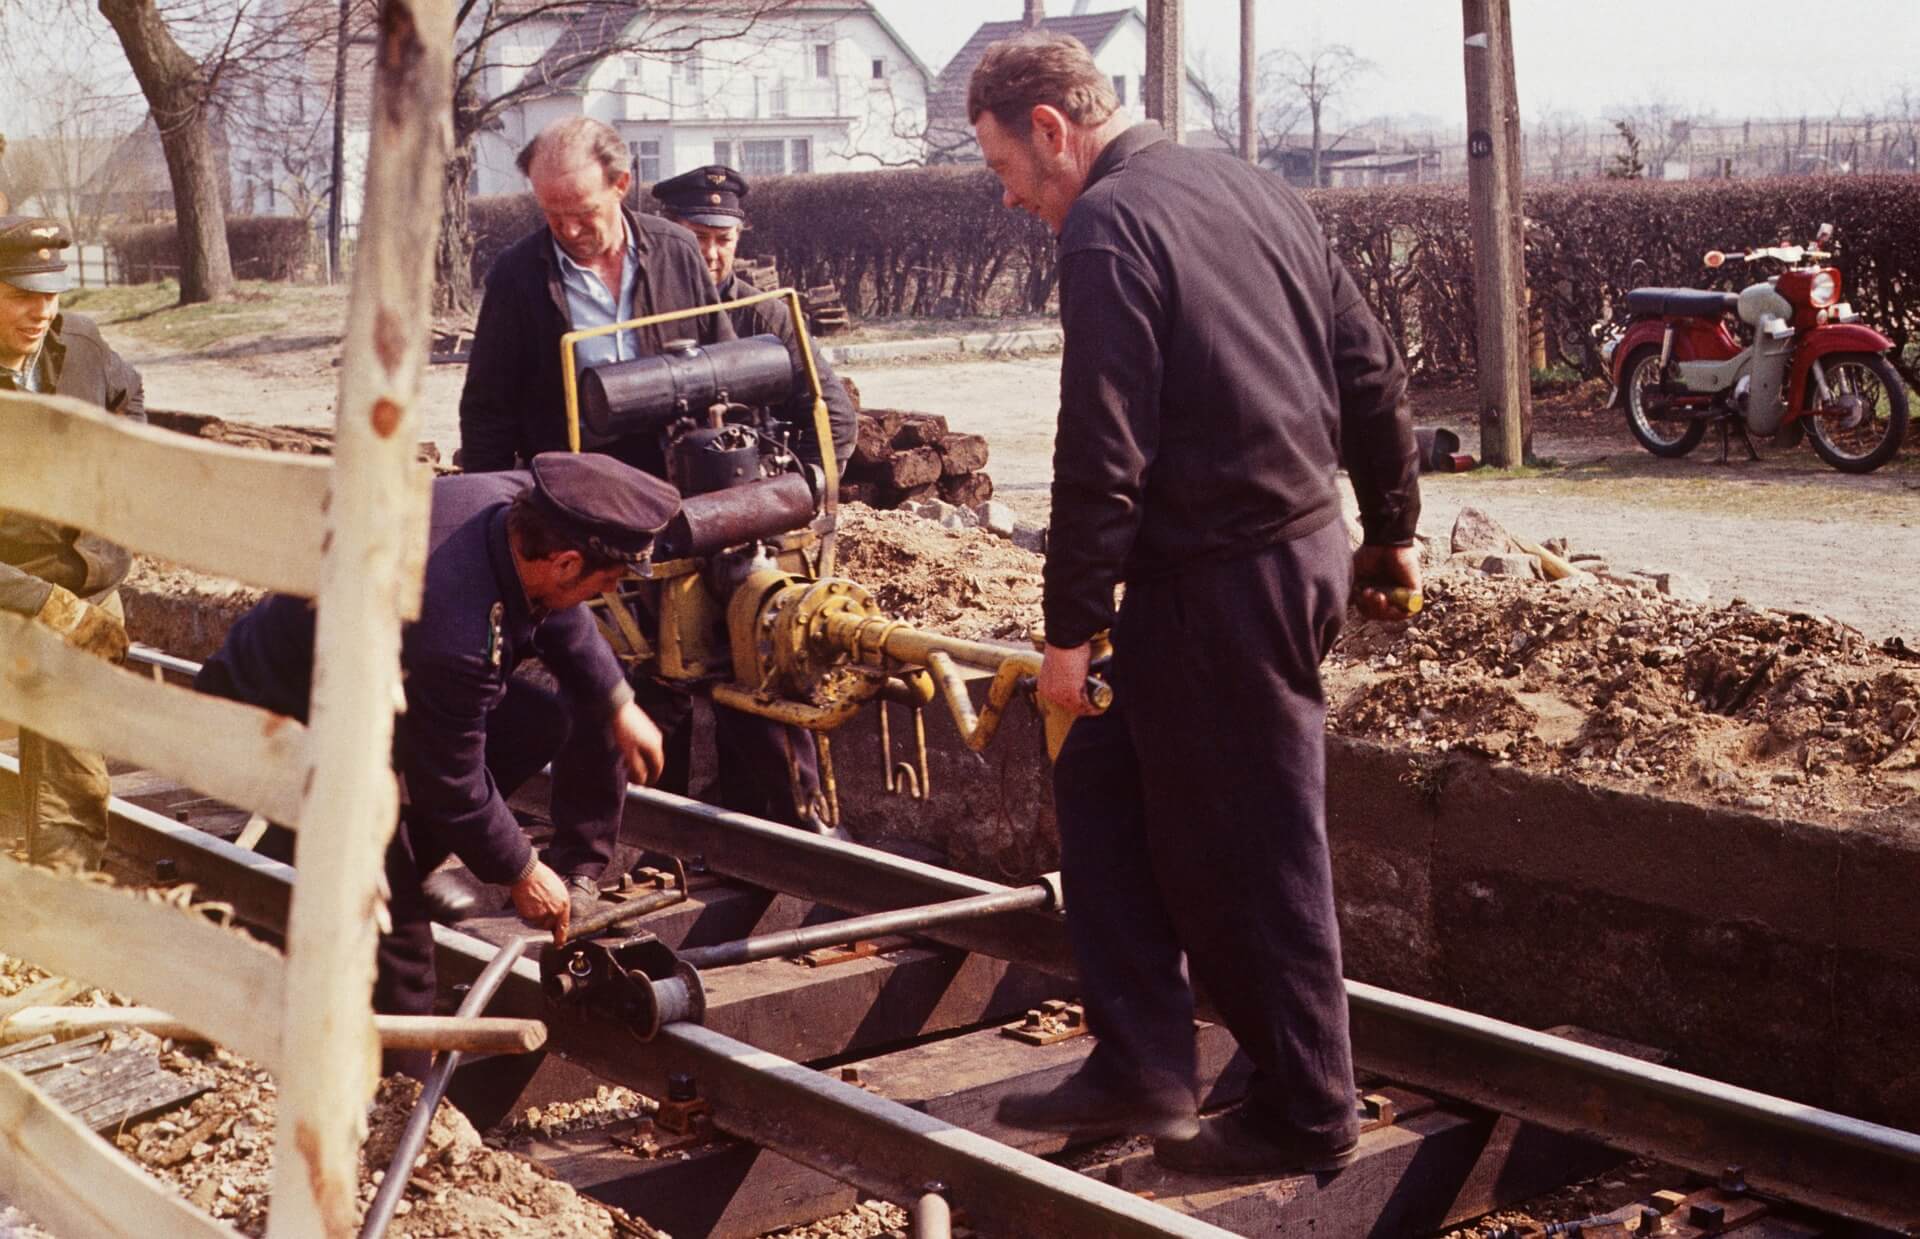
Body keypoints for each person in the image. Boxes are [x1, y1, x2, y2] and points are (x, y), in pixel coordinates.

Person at [968, 33, 1422, 1176]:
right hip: (1283, 553)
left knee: (1256, 851)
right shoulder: (1249, 185)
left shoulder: (1111, 228)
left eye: (1005, 168)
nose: (1008, 196)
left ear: (1052, 130)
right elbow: (1366, 365)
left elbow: (1101, 448)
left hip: (1228, 579)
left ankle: (1311, 1109)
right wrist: (1389, 528)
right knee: (1103, 781)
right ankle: (1144, 1061)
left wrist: (1067, 629)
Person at [195, 454, 676, 1078]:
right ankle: (400, 1100)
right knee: (400, 941)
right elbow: (451, 782)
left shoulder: (510, 505)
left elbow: (559, 612)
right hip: (276, 718)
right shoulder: (451, 628)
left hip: (360, 687)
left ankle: (360, 871)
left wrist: (618, 702)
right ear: (565, 563)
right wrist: (522, 869)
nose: (603, 595)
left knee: (539, 720)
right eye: (603, 581)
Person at [458, 116, 733, 476]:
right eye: (552, 214)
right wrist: (491, 508)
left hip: (679, 475)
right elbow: (487, 412)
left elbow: (727, 365)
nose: (568, 230)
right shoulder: (516, 276)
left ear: (621, 184)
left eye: (584, 212)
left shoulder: (676, 250)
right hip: (572, 489)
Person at [0, 216, 146, 870]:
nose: (41, 311)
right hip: (10, 588)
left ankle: (65, 906)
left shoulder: (80, 345)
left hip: (86, 587)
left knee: (76, 765)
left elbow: (128, 394)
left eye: (51, 293)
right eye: (21, 294)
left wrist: (111, 502)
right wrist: (44, 602)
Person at [650, 164, 857, 472]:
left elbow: (834, 417)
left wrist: (794, 493)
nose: (710, 252)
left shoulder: (767, 315)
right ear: (670, 235)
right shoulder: (644, 308)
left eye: (723, 240)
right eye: (698, 236)